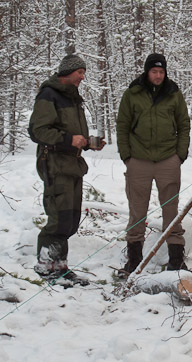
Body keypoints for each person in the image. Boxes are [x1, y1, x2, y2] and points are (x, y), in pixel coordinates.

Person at [28, 54, 106, 286]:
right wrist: (69, 140)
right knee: (58, 218)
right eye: (79, 72)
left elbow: (72, 132)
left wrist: (89, 142)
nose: (82, 77)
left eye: (83, 73)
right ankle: (46, 267)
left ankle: (60, 267)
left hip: (72, 165)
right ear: (67, 72)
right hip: (55, 164)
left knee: (71, 220)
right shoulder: (49, 95)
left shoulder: (72, 98)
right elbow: (38, 131)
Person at [116, 53, 190, 275]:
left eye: (161, 71)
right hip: (138, 160)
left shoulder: (174, 94)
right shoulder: (133, 94)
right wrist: (127, 156)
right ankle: (134, 262)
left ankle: (176, 262)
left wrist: (180, 155)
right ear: (147, 72)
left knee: (171, 211)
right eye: (154, 71)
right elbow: (122, 125)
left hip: (168, 159)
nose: (158, 75)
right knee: (137, 212)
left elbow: (184, 124)